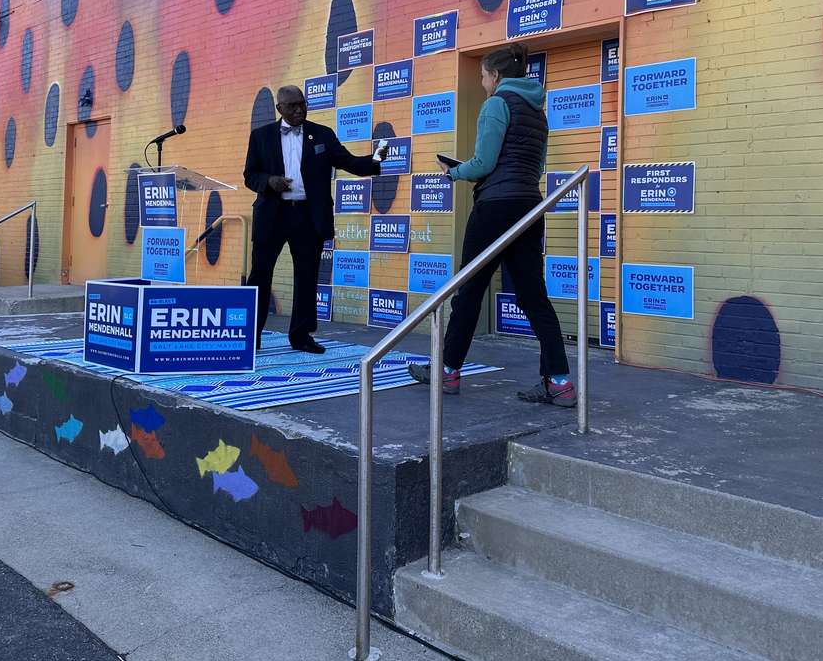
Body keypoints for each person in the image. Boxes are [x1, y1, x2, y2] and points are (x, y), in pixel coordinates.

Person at [409, 43, 575, 407]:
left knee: (468, 292)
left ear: (496, 76)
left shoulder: (496, 104)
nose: (482, 82)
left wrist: (454, 172)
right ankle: (560, 382)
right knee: (534, 296)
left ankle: (447, 372)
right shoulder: (538, 111)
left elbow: (483, 163)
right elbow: (536, 166)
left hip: (495, 205)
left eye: (483, 76)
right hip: (529, 206)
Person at [244, 85, 383, 353]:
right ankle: (251, 336)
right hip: (273, 214)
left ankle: (302, 336)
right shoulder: (260, 136)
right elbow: (250, 175)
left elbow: (348, 162)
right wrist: (269, 181)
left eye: (302, 104)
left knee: (307, 277)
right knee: (260, 274)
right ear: (279, 109)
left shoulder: (322, 134)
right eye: (292, 106)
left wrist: (376, 160)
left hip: (308, 215)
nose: (299, 110)